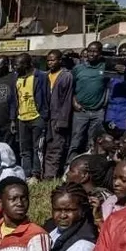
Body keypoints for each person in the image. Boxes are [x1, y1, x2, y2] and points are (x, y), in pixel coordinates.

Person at [69, 42, 108, 159]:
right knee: (76, 142)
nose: (92, 54)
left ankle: (89, 167)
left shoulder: (105, 67)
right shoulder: (78, 69)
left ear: (100, 53)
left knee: (93, 142)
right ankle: (69, 167)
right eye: (90, 51)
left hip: (98, 112)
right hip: (81, 111)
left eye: (95, 51)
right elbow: (70, 88)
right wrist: (74, 102)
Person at [13, 54, 49, 179]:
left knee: (37, 148)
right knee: (24, 150)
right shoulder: (16, 78)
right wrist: (14, 118)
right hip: (22, 118)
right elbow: (15, 99)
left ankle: (36, 174)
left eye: (18, 64)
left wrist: (44, 116)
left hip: (37, 118)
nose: (15, 67)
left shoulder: (41, 76)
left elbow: (46, 97)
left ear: (26, 64)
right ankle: (26, 174)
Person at [44, 49, 74, 179]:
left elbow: (67, 100)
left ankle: (50, 176)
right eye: (48, 60)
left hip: (58, 118)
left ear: (60, 61)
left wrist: (63, 121)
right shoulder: (45, 75)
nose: (50, 62)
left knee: (55, 148)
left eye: (53, 60)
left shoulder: (66, 76)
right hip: (46, 117)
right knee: (44, 147)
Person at [105, 43, 126, 137]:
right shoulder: (114, 66)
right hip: (111, 108)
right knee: (110, 135)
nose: (122, 57)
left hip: (125, 108)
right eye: (120, 54)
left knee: (123, 137)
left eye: (125, 54)